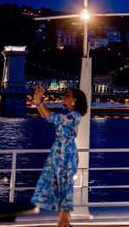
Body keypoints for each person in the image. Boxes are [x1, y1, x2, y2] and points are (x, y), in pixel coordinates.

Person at [30, 85, 88, 227]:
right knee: (58, 183)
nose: (65, 96)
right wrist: (38, 100)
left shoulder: (74, 115)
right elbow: (45, 115)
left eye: (68, 95)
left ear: (75, 99)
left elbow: (51, 116)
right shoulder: (68, 112)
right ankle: (65, 223)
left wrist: (40, 102)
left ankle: (62, 222)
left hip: (67, 152)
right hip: (58, 150)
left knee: (65, 184)